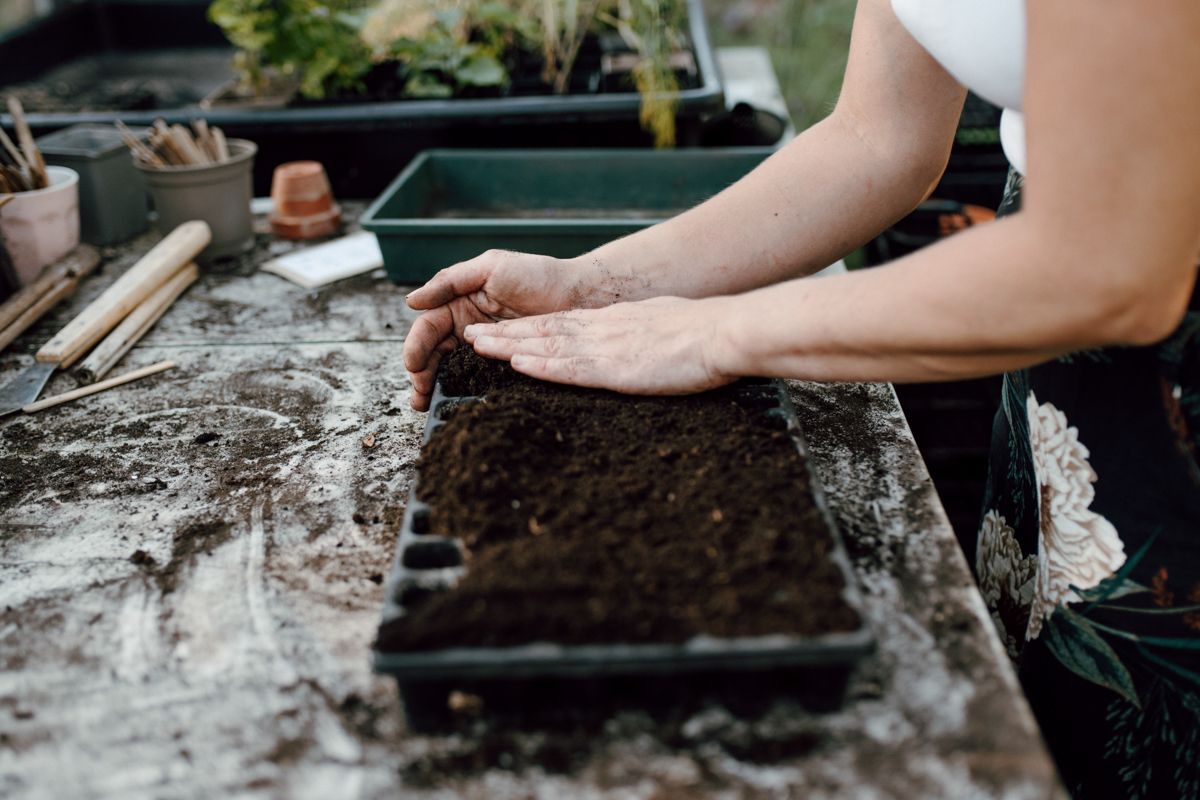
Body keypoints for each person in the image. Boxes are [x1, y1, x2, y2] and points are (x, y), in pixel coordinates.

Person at [403, 1, 1200, 796]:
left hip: (1169, 361)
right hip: (1065, 368)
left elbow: (1106, 262)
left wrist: (715, 333)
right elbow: (878, 137)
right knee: (1063, 725)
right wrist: (595, 285)